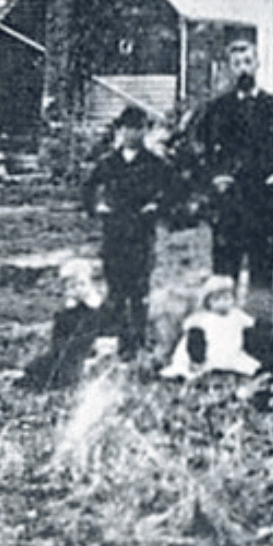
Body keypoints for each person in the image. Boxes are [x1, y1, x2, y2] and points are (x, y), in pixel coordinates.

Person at [187, 40, 273, 299]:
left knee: (261, 275)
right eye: (237, 64)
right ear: (229, 68)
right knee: (224, 274)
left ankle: (259, 336)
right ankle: (224, 331)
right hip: (228, 201)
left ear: (257, 65)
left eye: (248, 62)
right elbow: (195, 150)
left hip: (263, 200)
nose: (243, 69)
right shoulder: (217, 108)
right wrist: (212, 178)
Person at [81, 105, 175, 359]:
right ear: (120, 130)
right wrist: (97, 206)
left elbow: (172, 191)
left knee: (139, 290)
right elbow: (88, 189)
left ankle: (138, 341)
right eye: (128, 128)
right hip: (114, 231)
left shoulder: (155, 163)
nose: (133, 134)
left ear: (145, 131)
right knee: (116, 289)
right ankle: (118, 341)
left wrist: (157, 205)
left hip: (142, 233)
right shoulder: (108, 162)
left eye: (138, 128)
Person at [18, 258, 119, 391]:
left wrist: (102, 344)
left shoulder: (103, 310)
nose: (78, 289)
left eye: (82, 284)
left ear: (92, 284)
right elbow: (57, 341)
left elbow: (113, 330)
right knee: (37, 371)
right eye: (72, 286)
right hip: (71, 355)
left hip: (96, 353)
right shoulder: (65, 315)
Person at [161, 275, 261, 380]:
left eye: (227, 298)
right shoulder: (204, 318)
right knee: (201, 369)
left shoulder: (237, 315)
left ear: (233, 299)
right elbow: (193, 334)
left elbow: (252, 324)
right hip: (211, 353)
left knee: (247, 366)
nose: (222, 303)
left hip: (232, 352)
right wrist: (197, 358)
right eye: (217, 299)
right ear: (208, 302)